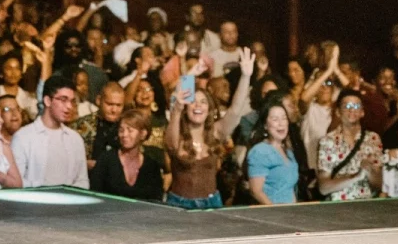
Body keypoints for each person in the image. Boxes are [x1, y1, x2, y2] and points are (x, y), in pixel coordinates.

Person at [165, 48, 254, 209]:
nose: (198, 105)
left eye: (203, 102)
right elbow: (177, 103)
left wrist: (246, 77)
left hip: (211, 203)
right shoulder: (177, 133)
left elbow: (235, 110)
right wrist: (191, 73)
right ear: (185, 108)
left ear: (210, 110)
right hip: (178, 206)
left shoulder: (216, 132)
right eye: (193, 101)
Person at [11, 75, 89, 188]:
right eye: (63, 100)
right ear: (47, 101)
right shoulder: (23, 137)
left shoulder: (75, 139)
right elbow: (16, 182)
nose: (69, 106)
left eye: (72, 101)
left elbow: (82, 181)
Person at [316, 88, 383, 201]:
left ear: (362, 112)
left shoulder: (373, 138)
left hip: (367, 205)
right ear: (338, 112)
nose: (352, 110)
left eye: (356, 106)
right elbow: (323, 188)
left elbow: (379, 185)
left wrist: (370, 170)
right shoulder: (327, 141)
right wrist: (356, 177)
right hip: (338, 207)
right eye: (347, 106)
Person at [90, 108, 164, 201]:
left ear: (143, 134)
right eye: (121, 130)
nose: (124, 134)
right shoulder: (106, 159)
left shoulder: (152, 167)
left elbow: (156, 201)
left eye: (130, 130)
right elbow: (94, 194)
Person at [246, 100, 300, 205]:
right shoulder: (260, 151)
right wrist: (274, 212)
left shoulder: (288, 152)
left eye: (284, 118)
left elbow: (289, 189)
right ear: (265, 125)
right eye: (275, 119)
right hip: (271, 214)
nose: (281, 123)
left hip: (290, 213)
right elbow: (256, 191)